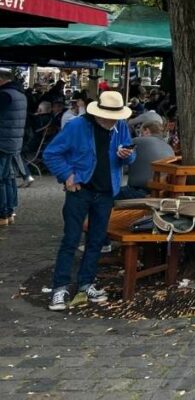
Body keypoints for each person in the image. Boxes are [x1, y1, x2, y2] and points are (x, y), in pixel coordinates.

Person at [43, 91, 136, 311]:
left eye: (115, 117)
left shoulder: (121, 126)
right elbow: (52, 153)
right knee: (71, 239)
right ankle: (60, 287)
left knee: (96, 240)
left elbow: (131, 153)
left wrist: (127, 155)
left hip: (106, 191)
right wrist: (67, 175)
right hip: (81, 190)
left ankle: (86, 283)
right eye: (108, 117)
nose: (112, 121)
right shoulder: (77, 126)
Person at [120, 118, 175, 199]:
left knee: (107, 194)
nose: (140, 135)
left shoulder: (136, 141)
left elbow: (122, 165)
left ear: (146, 131)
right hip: (163, 193)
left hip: (141, 192)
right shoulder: (169, 147)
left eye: (141, 133)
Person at [0, 68, 27, 223]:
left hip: (2, 141)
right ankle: (10, 211)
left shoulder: (4, 94)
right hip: (13, 141)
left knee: (1, 179)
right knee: (9, 177)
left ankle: (2, 214)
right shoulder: (20, 94)